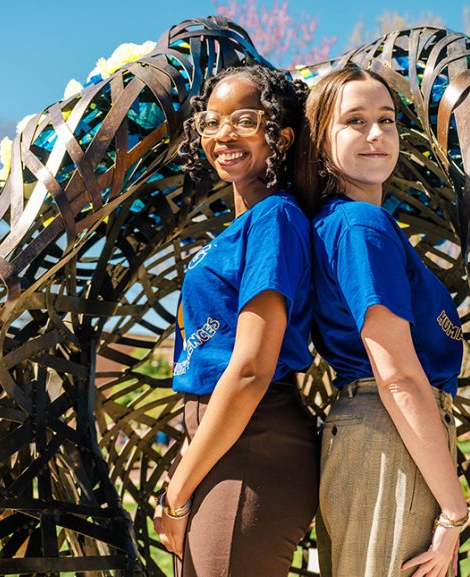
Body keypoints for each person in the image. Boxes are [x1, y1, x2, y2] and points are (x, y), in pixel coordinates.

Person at [296, 66, 468, 577]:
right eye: (355, 121)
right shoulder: (359, 226)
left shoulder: (352, 222)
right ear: (322, 140)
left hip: (387, 435)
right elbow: (397, 375)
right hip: (391, 435)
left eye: (387, 120)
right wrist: (455, 512)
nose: (377, 134)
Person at [154, 65, 318, 577]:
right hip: (225, 443)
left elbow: (249, 369)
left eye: (245, 119)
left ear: (282, 137)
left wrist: (178, 490)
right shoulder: (242, 227)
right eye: (212, 121)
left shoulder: (275, 218)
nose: (224, 133)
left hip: (255, 443)